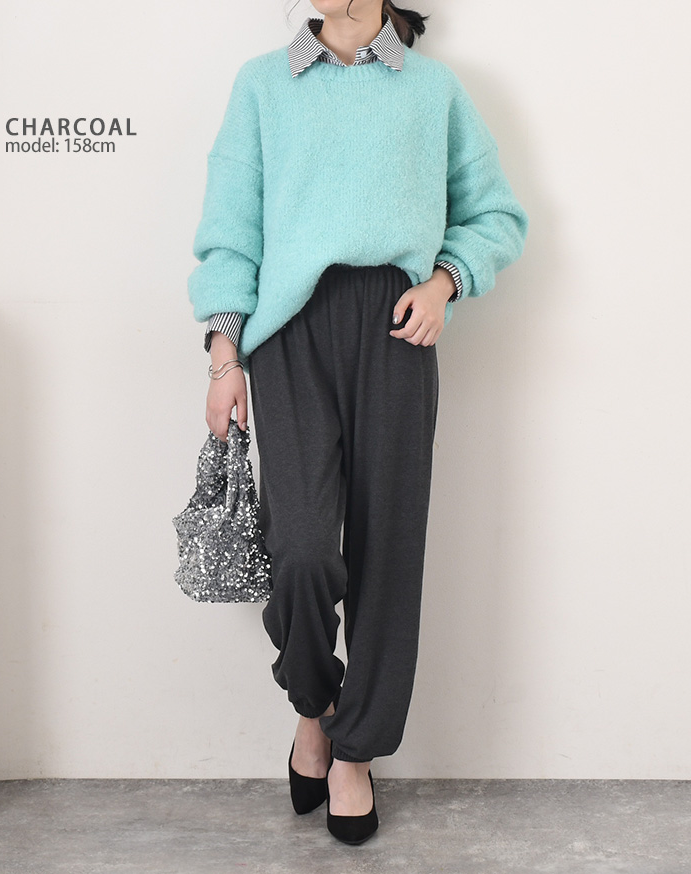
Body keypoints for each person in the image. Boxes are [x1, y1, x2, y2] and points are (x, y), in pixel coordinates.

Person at [187, 0, 528, 845]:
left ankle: (355, 753)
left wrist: (445, 282)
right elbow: (230, 232)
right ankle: (315, 706)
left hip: (396, 330)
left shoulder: (432, 90)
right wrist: (224, 359)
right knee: (303, 548)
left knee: (388, 552)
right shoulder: (263, 85)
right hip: (289, 335)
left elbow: (495, 215)